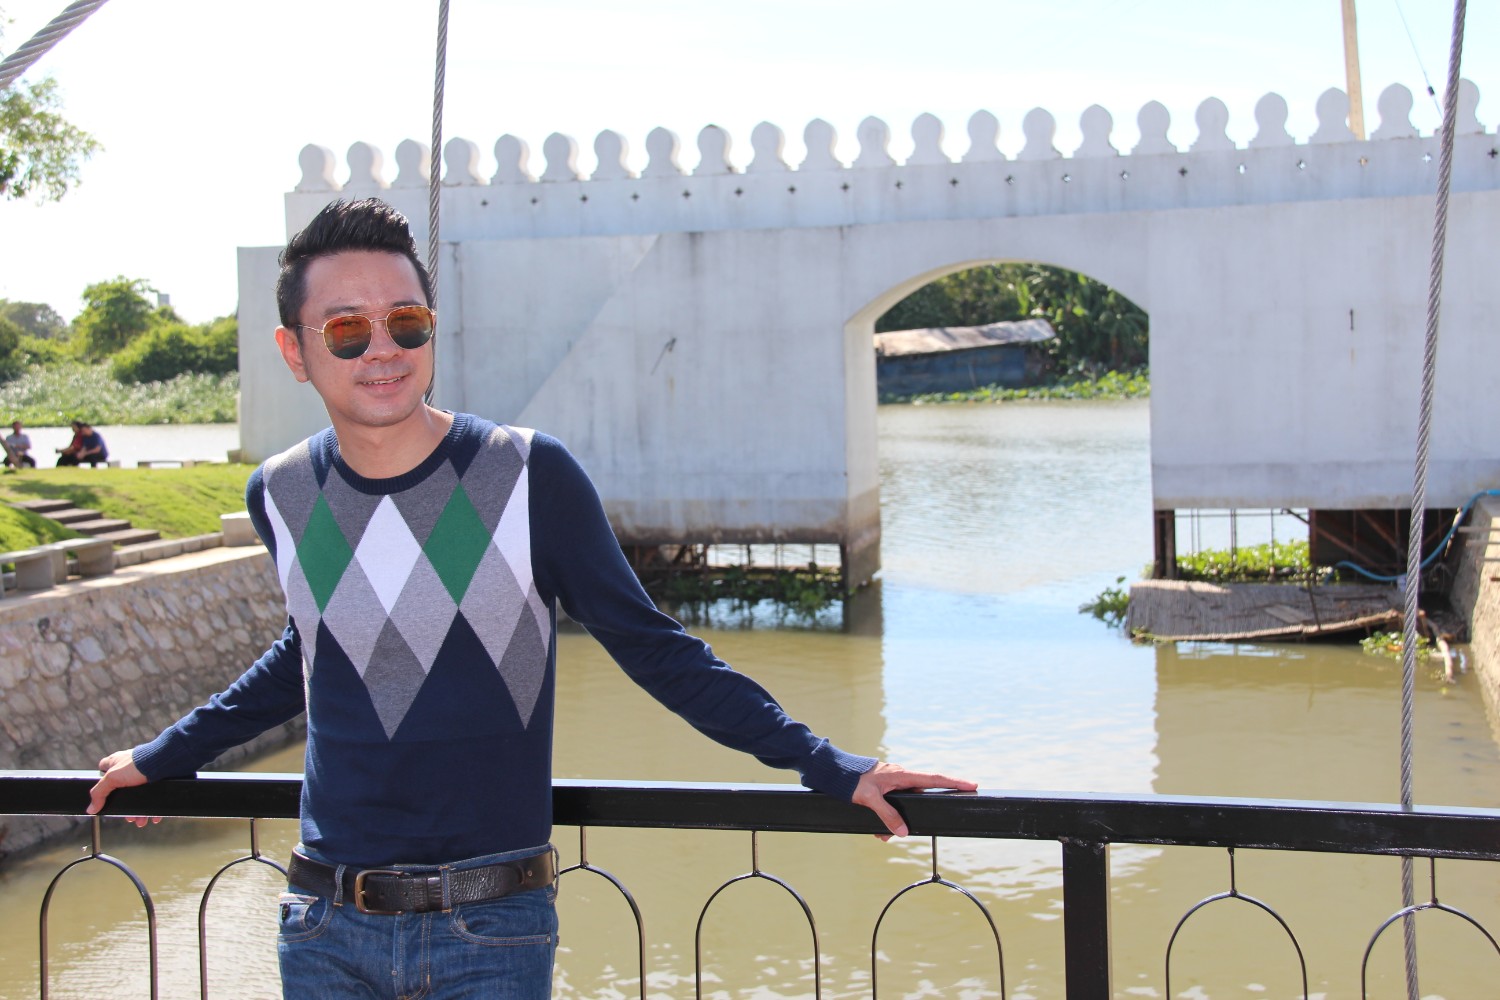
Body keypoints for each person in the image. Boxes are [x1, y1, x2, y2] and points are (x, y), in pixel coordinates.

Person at [86, 198, 975, 999]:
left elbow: (654, 648)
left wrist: (832, 766)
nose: (383, 349)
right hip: (324, 927)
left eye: (406, 321)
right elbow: (314, 649)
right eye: (347, 329)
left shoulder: (522, 475)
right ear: (295, 351)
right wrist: (167, 754)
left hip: (491, 930)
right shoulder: (281, 492)